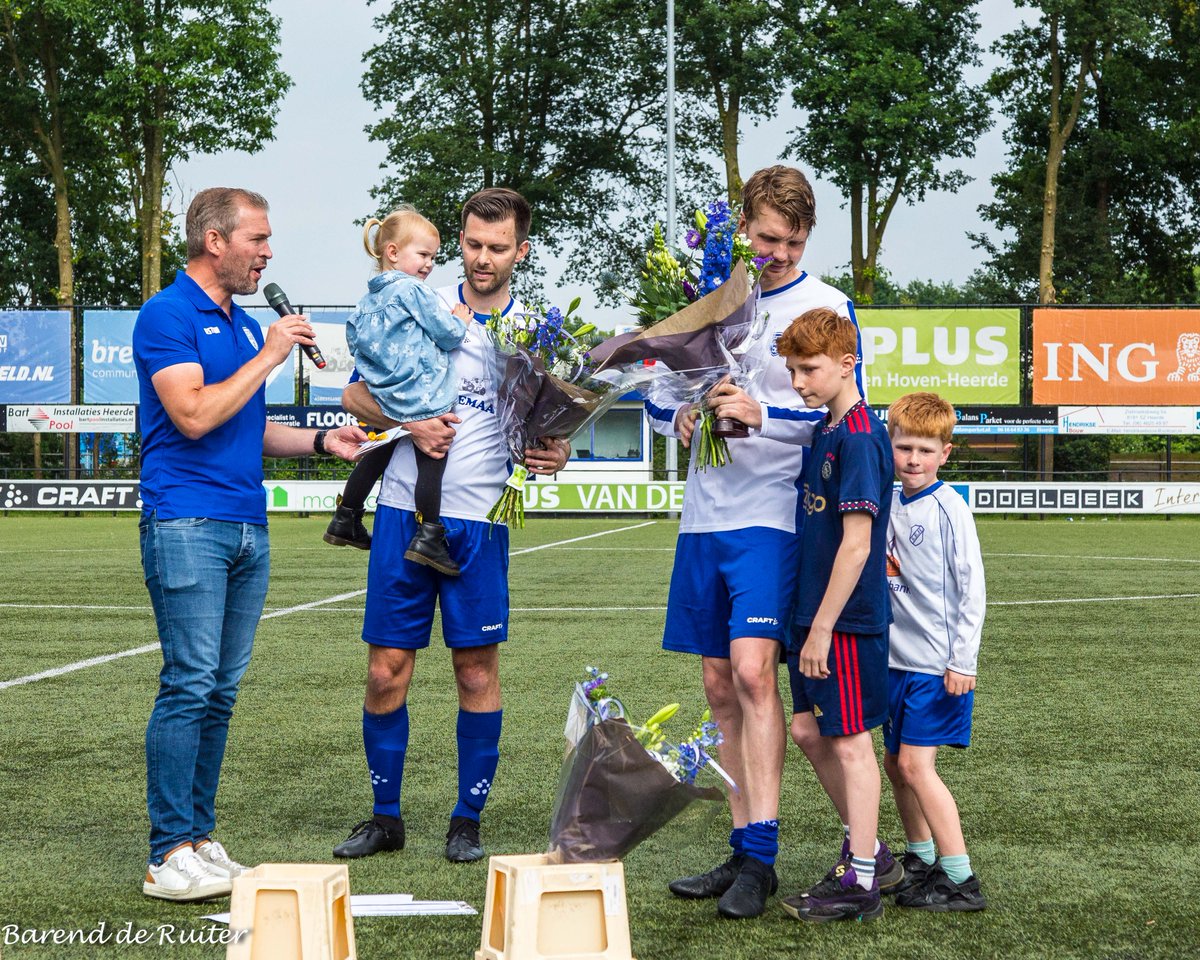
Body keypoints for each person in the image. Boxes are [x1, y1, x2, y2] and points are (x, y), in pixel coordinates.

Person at [655, 165, 881, 920]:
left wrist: (762, 413)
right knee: (719, 686)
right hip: (704, 515)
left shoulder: (826, 306)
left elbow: (848, 417)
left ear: (807, 237)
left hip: (775, 516)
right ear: (742, 230)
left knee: (755, 678)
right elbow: (659, 391)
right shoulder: (714, 294)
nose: (776, 253)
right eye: (763, 238)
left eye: (789, 241)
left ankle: (764, 858)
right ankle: (740, 840)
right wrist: (681, 416)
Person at [133, 187, 365, 902]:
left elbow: (247, 427)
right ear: (215, 241)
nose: (267, 254)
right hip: (187, 523)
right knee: (190, 683)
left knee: (221, 691)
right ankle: (166, 851)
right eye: (257, 240)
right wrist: (269, 355)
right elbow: (196, 416)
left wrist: (326, 441)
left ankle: (200, 838)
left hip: (244, 523)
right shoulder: (166, 315)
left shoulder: (236, 324)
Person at [332, 187, 570, 864]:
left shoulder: (539, 331)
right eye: (471, 244)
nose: (481, 258)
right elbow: (354, 393)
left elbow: (552, 429)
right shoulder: (417, 299)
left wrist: (555, 450)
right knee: (386, 671)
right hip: (406, 511)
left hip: (480, 522)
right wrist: (406, 419)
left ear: (521, 251)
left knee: (474, 671)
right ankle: (385, 818)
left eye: (497, 248)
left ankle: (466, 820)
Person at [772, 307, 894, 923]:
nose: (798, 382)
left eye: (809, 369)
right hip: (809, 614)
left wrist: (821, 627)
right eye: (792, 370)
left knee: (850, 746)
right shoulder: (825, 428)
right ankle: (871, 849)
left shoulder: (862, 435)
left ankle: (861, 880)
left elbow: (857, 544)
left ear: (848, 364)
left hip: (842, 623)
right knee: (806, 732)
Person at [323, 206, 474, 576]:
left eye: (433, 257)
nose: (429, 265)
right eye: (423, 255)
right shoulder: (412, 290)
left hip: (385, 396)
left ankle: (346, 516)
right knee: (434, 455)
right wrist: (460, 319)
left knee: (378, 450)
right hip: (424, 395)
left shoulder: (364, 302)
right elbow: (447, 334)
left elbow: (355, 344)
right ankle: (429, 535)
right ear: (392, 252)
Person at [882, 392, 988, 911]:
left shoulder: (949, 510)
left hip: (936, 665)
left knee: (918, 767)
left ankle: (961, 879)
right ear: (891, 446)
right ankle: (920, 858)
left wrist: (962, 661)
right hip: (895, 662)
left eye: (926, 450)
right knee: (893, 764)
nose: (914, 459)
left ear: (946, 452)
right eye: (905, 447)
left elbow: (972, 590)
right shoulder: (887, 498)